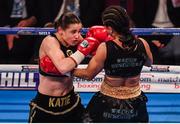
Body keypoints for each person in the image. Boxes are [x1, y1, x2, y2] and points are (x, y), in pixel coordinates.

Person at [72, 6, 153, 123]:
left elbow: (88, 75)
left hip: (108, 102)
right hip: (135, 103)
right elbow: (149, 63)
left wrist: (68, 69)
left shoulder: (105, 48)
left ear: (109, 28)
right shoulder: (143, 44)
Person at [28, 12, 107, 123]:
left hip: (71, 103)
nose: (77, 35)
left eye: (79, 31)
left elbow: (97, 54)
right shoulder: (50, 42)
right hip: (45, 106)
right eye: (73, 31)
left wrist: (104, 45)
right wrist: (82, 50)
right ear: (60, 31)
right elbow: (63, 67)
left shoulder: (75, 39)